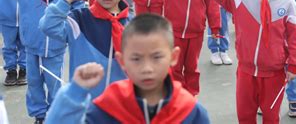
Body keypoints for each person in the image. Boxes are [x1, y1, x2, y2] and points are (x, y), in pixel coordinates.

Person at [44, 14, 211, 123]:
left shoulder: (190, 112)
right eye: (136, 59)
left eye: (157, 57)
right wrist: (75, 91)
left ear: (173, 57)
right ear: (122, 60)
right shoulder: (108, 107)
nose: (147, 68)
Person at [209, 0, 296, 123]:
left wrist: (294, 64)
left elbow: (294, 36)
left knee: (271, 116)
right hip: (246, 71)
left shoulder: (288, 1)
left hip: (275, 73)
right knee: (245, 116)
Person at [0, 0, 81, 124]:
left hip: (56, 45)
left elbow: (79, 7)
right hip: (31, 44)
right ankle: (39, 115)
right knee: (34, 83)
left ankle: (54, 114)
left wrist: (71, 31)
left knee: (54, 83)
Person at [40, 0, 132, 98]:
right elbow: (48, 26)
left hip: (121, 105)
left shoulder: (134, 26)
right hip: (84, 104)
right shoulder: (79, 20)